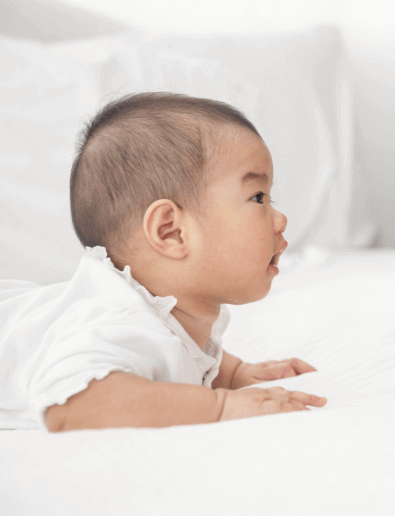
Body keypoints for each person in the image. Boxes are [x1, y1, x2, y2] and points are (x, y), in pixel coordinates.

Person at [0, 93, 327, 431]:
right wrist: (219, 406)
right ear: (171, 232)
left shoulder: (175, 316)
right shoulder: (118, 321)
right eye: (258, 197)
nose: (280, 219)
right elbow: (72, 404)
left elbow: (176, 353)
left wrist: (233, 373)